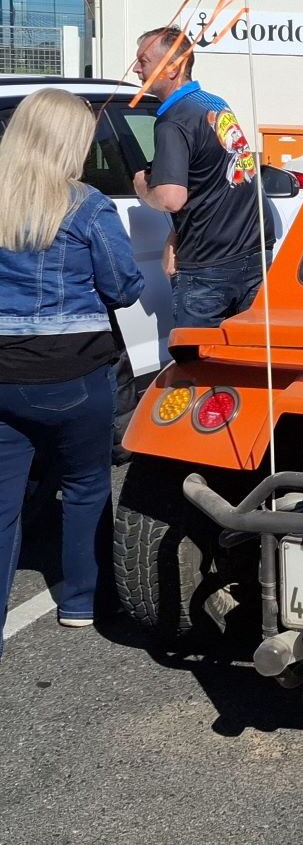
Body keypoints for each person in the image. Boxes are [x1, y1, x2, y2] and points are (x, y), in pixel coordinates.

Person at [0, 89, 144, 658]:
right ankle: (82, 600)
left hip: (2, 369)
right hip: (73, 369)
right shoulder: (85, 205)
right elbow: (123, 287)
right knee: (85, 485)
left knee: (4, 503)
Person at [132, 26, 274, 328]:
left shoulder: (174, 121)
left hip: (209, 268)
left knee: (197, 365)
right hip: (254, 254)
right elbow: (215, 182)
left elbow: (172, 198)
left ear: (173, 67)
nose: (135, 69)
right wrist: (175, 235)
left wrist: (142, 186)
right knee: (246, 361)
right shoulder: (212, 104)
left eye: (143, 61)